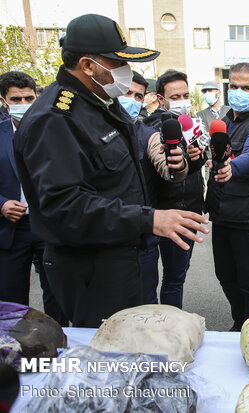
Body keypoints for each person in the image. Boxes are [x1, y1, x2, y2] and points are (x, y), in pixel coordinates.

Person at [12, 14, 208, 328]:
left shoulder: (102, 102)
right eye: (116, 62)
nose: (125, 71)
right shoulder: (56, 119)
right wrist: (150, 218)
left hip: (126, 255)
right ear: (88, 65)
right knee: (110, 360)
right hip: (92, 269)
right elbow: (65, 207)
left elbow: (123, 179)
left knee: (136, 347)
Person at [204, 62, 249, 331]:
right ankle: (240, 320)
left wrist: (231, 167)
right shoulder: (224, 122)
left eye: (245, 87)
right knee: (225, 275)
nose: (238, 92)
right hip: (224, 214)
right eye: (234, 86)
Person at [0, 71, 67, 326]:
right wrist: (2, 204)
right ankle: (16, 347)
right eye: (16, 99)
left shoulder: (52, 130)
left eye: (29, 97)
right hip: (10, 229)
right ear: (4, 101)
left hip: (47, 223)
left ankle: (58, 340)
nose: (23, 104)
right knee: (12, 295)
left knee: (56, 291)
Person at [144, 70, 206, 309]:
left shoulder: (189, 125)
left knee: (175, 278)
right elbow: (165, 171)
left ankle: (171, 321)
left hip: (188, 210)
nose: (183, 101)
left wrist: (197, 158)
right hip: (159, 212)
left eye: (186, 95)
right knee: (151, 280)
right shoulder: (152, 128)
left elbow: (194, 166)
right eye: (175, 96)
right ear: (161, 99)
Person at [118, 70, 161, 304]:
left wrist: (180, 163)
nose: (132, 100)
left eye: (138, 96)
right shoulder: (94, 129)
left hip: (143, 230)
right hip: (108, 232)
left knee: (146, 300)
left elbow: (168, 168)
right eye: (127, 92)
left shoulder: (149, 135)